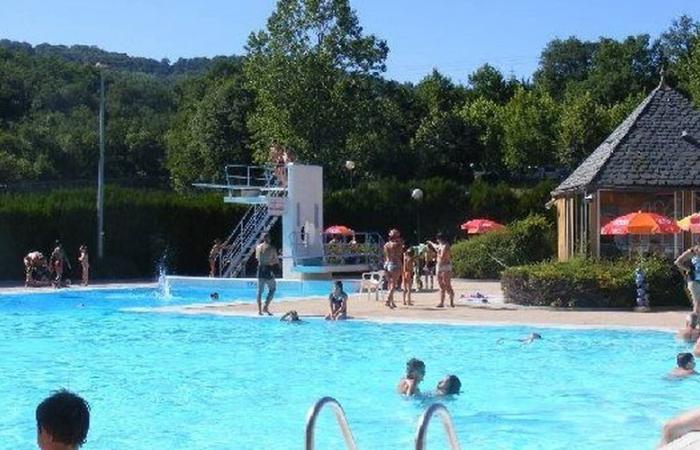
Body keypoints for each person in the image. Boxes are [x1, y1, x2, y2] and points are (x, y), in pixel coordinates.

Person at [427, 233, 455, 308]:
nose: (437, 240)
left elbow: (442, 256)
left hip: (446, 266)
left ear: (440, 239)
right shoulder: (440, 245)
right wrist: (430, 243)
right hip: (439, 266)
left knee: (447, 284)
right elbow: (435, 246)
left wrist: (436, 254)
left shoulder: (446, 245)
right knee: (440, 285)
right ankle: (441, 302)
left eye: (438, 239)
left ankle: (451, 301)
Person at [255, 233, 279, 316]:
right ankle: (265, 306)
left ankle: (259, 311)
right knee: (273, 288)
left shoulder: (258, 247)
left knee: (259, 291)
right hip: (268, 269)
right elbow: (276, 260)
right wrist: (271, 262)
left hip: (260, 269)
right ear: (268, 238)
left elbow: (257, 258)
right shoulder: (272, 248)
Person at [675, 245, 700, 314]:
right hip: (694, 280)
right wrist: (688, 269)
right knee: (698, 302)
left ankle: (694, 320)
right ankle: (693, 321)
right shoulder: (692, 252)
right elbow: (678, 262)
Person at [383, 229, 403, 309]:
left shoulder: (386, 244)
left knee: (389, 284)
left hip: (387, 264)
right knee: (393, 285)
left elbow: (386, 255)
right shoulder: (397, 244)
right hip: (395, 264)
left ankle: (392, 302)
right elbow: (400, 254)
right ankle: (388, 301)